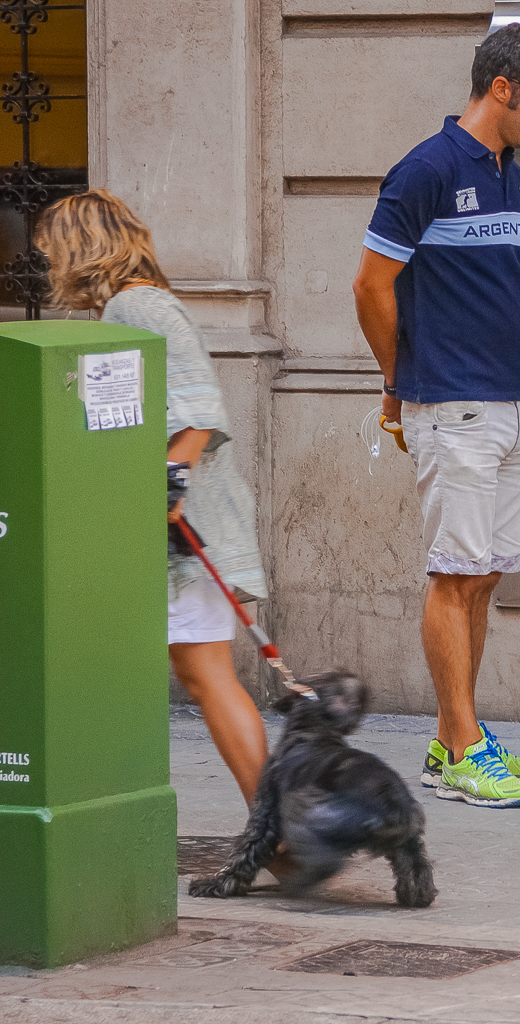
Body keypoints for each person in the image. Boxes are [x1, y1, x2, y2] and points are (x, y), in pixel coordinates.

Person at [352, 24, 520, 809]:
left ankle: (456, 740)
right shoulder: (427, 170)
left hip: (514, 400)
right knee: (453, 577)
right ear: (501, 88)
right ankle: (465, 748)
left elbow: (493, 281)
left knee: (482, 581)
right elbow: (370, 286)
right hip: (456, 403)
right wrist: (396, 380)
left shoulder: (510, 172)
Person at [36, 190, 271, 811]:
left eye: (53, 251)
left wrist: (165, 494)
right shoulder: (132, 307)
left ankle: (275, 829)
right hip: (174, 531)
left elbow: (197, 419)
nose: (50, 265)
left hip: (179, 536)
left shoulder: (138, 307)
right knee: (196, 676)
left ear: (81, 249)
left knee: (206, 677)